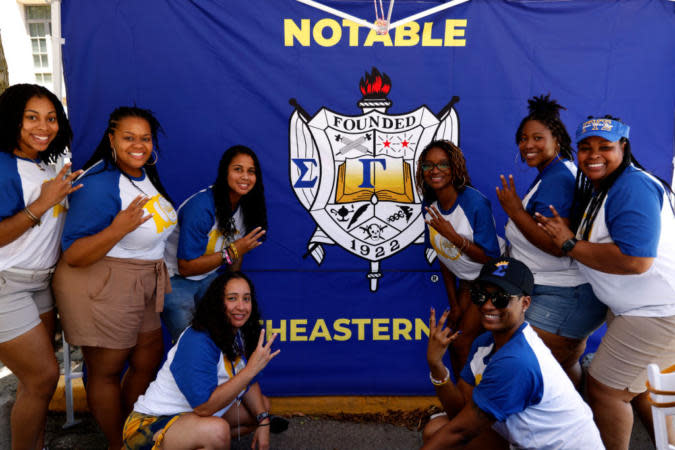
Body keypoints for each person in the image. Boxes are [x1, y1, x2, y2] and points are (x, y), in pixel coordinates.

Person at [537, 116, 675, 449]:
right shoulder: (609, 186)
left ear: (623, 148)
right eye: (585, 148)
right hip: (638, 309)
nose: (593, 155)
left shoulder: (632, 186)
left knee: (605, 390)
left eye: (605, 147)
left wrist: (569, 243)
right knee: (636, 388)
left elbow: (636, 260)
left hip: (657, 312)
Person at [52, 106, 177, 449]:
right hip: (105, 284)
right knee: (106, 369)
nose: (138, 145)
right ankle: (116, 443)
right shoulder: (98, 184)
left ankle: (130, 432)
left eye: (145, 138)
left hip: (144, 282)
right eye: (128, 137)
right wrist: (118, 228)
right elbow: (73, 254)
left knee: (146, 359)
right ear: (111, 139)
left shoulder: (144, 173)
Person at [422, 257, 603, 449]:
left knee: (447, 436)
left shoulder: (517, 360)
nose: (487, 305)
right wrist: (436, 365)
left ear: (525, 303)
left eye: (501, 298)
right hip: (526, 442)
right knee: (437, 429)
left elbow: (461, 432)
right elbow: (459, 413)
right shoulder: (485, 343)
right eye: (480, 296)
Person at [496, 94, 606, 386]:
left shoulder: (558, 177)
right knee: (562, 371)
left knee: (523, 368)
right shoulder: (554, 173)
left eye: (537, 137)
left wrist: (515, 211)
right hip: (561, 292)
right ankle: (577, 425)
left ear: (556, 139)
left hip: (566, 296)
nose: (528, 144)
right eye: (522, 138)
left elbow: (557, 246)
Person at [0, 84, 81, 449]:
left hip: (41, 285)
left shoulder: (43, 163)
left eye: (50, 118)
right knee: (43, 377)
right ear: (11, 119)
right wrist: (43, 203)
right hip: (7, 284)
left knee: (34, 382)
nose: (43, 127)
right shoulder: (4, 166)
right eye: (31, 117)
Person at [123, 271, 280, 450]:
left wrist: (264, 420)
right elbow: (204, 408)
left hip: (189, 418)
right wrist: (251, 369)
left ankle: (198, 440)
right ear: (218, 302)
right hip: (150, 424)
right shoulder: (198, 339)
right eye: (232, 298)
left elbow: (248, 383)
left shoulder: (235, 332)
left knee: (261, 407)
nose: (241, 307)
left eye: (246, 299)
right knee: (216, 431)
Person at [163, 146, 267, 340]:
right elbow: (185, 268)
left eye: (251, 171)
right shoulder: (202, 207)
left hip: (208, 278)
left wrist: (233, 286)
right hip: (173, 278)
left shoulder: (245, 205)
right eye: (238, 169)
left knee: (222, 339)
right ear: (224, 172)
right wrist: (233, 251)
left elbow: (237, 255)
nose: (245, 176)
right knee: (191, 344)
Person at [416, 140, 501, 377]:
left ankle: (472, 408)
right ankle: (462, 403)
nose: (435, 170)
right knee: (453, 342)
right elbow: (444, 256)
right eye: (428, 165)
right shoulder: (430, 204)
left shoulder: (474, 202)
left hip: (492, 278)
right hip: (466, 283)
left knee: (464, 343)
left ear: (455, 167)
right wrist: (453, 304)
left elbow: (490, 258)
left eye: (443, 164)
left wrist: (453, 236)